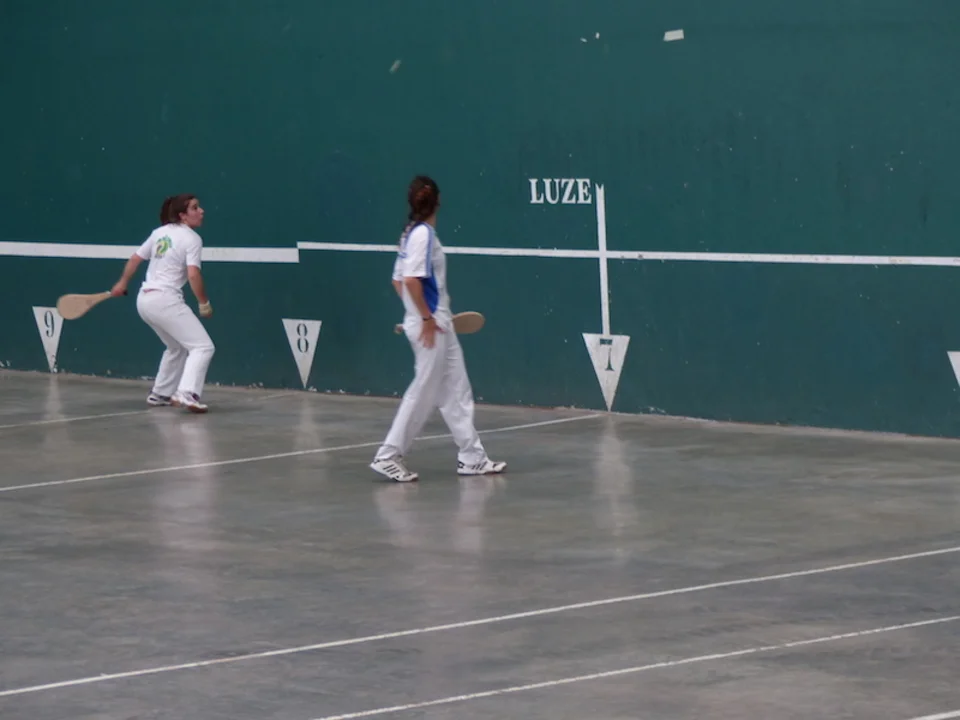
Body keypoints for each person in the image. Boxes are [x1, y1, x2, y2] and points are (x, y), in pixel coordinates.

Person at [370, 175, 506, 482]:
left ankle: (472, 457)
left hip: (436, 322)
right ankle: (388, 455)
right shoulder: (422, 235)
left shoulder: (410, 234)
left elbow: (397, 280)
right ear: (438, 202)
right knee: (424, 391)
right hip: (431, 326)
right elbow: (409, 281)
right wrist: (425, 319)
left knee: (457, 389)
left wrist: (417, 313)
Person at [110, 193, 215, 414]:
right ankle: (187, 393)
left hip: (144, 301)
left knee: (176, 347)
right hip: (165, 301)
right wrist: (203, 302)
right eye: (195, 208)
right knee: (202, 347)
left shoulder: (160, 233)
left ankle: (160, 393)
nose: (201, 211)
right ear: (183, 216)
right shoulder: (192, 239)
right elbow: (193, 274)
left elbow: (135, 258)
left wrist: (122, 282)